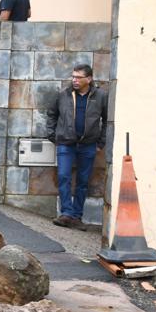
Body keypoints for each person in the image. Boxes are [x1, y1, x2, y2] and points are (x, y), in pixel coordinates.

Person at [46, 63, 108, 228]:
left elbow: (107, 120)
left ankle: (76, 216)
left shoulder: (100, 96)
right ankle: (66, 213)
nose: (74, 80)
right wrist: (53, 136)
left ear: (89, 79)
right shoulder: (63, 95)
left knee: (82, 181)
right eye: (73, 76)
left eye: (79, 77)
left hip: (88, 145)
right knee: (64, 176)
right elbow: (52, 114)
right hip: (66, 143)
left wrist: (101, 142)